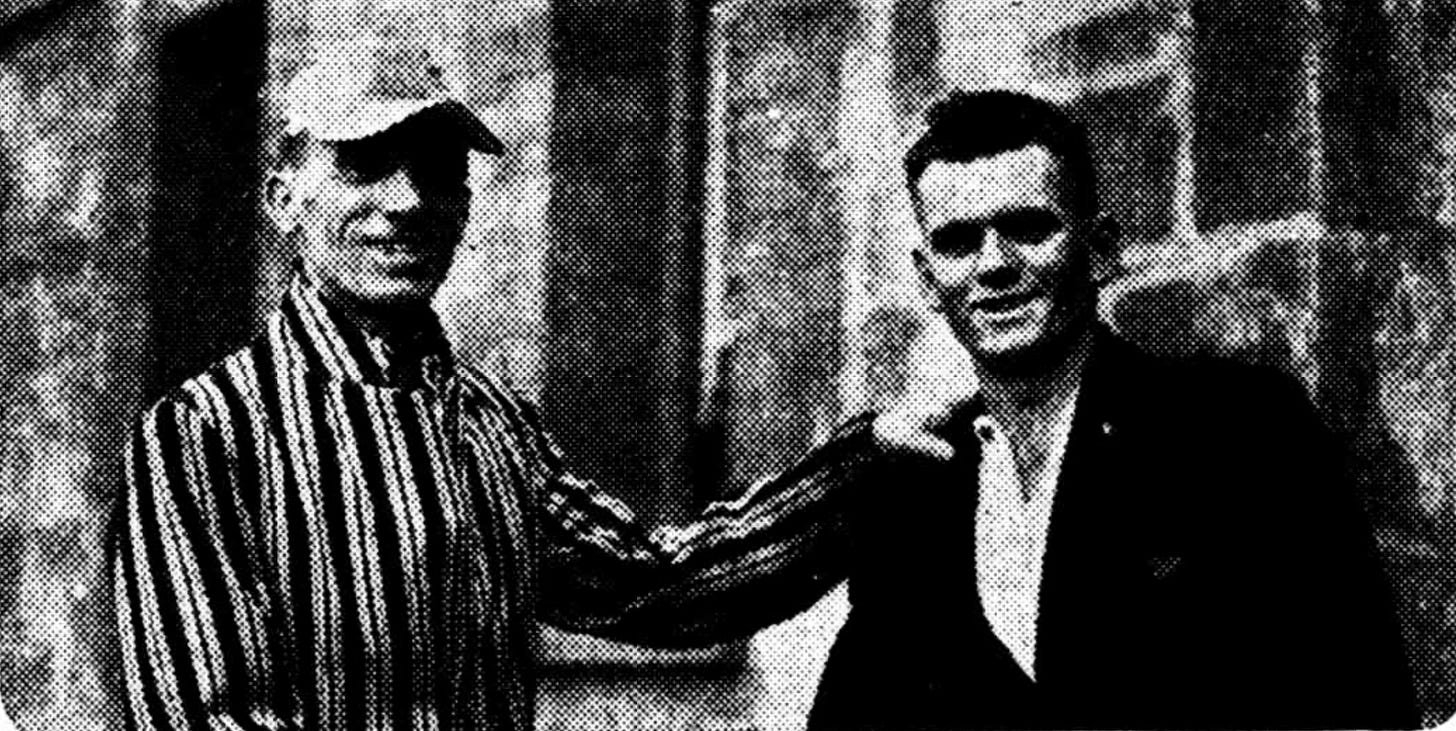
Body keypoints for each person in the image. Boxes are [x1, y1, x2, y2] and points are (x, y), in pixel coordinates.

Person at [110, 37, 920, 731]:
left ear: (464, 208)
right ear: (285, 201)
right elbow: (207, 718)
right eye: (365, 165)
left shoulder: (494, 424)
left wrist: (866, 462)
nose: (407, 202)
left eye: (438, 171)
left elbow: (657, 584)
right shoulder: (204, 431)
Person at [772, 90, 1416, 730]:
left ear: (1101, 248)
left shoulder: (1238, 428)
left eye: (1029, 228)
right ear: (927, 279)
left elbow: (1363, 702)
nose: (994, 265)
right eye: (959, 242)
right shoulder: (915, 491)